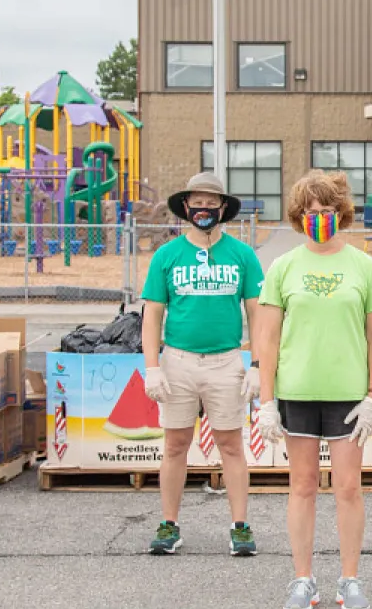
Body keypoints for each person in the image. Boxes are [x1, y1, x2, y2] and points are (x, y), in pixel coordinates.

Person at [253, 171, 372, 609]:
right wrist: (266, 401)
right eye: (311, 211)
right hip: (296, 392)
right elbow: (268, 337)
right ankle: (302, 580)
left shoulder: (363, 265)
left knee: (348, 487)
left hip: (348, 395)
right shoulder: (284, 266)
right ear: (299, 215)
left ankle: (349, 579)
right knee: (303, 486)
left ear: (340, 213)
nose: (319, 217)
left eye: (328, 210)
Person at [140, 172, 265, 556]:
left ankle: (240, 527)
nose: (204, 209)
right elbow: (152, 315)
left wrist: (258, 364)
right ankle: (169, 524)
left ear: (223, 208)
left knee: (231, 444)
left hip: (226, 362)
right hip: (177, 361)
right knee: (175, 444)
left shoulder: (242, 255)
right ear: (186, 207)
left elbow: (258, 314)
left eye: (212, 203)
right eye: (198, 203)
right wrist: (152, 366)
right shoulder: (167, 255)